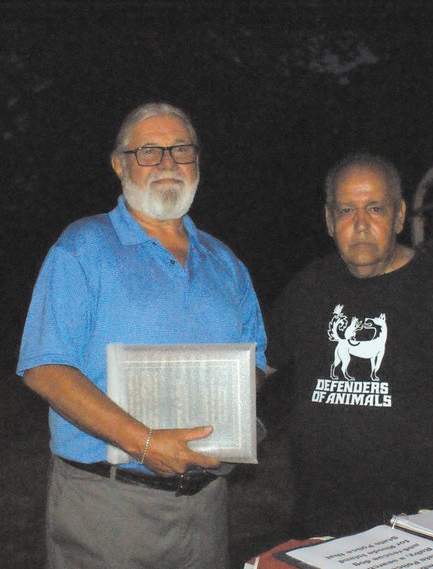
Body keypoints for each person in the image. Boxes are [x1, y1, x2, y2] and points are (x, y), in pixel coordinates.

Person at [16, 102, 267, 568]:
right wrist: (145, 442)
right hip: (108, 507)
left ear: (197, 161)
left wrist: (232, 412)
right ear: (120, 164)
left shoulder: (225, 262)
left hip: (207, 506)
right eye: (149, 151)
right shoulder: (82, 247)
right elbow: (45, 367)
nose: (168, 163)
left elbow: (255, 360)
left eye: (181, 150)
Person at [266, 152, 433, 538]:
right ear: (329, 220)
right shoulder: (307, 288)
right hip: (318, 531)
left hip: (418, 531)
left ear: (398, 215)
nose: (360, 224)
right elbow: (256, 367)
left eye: (375, 208)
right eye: (346, 210)